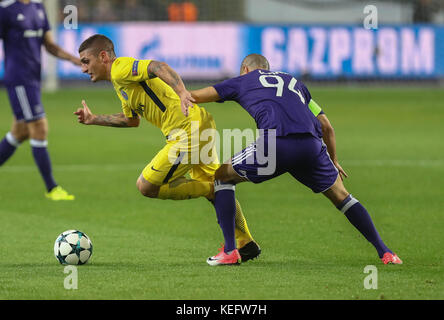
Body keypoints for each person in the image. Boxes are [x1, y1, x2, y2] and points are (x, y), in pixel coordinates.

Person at [189, 53, 402, 266]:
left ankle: (230, 251)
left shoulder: (243, 80)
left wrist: (178, 93)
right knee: (342, 196)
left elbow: (196, 96)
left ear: (245, 68)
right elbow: (327, 126)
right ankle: (386, 252)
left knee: (222, 177)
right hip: (311, 146)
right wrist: (333, 160)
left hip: (276, 144)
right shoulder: (294, 83)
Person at [74, 34, 260, 261]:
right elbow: (131, 120)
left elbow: (158, 66)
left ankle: (212, 189)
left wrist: (183, 93)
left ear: (103, 56)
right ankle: (246, 243)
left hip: (186, 131)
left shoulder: (121, 68)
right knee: (217, 182)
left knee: (146, 186)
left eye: (86, 61)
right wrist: (94, 119)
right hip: (197, 125)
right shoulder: (120, 83)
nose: (83, 69)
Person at [0, 0, 79, 200]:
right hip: (19, 78)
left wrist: (72, 59)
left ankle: (52, 188)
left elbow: (49, 44)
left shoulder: (38, 7)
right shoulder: (6, 9)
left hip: (34, 78)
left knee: (20, 132)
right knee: (39, 127)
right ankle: (52, 188)